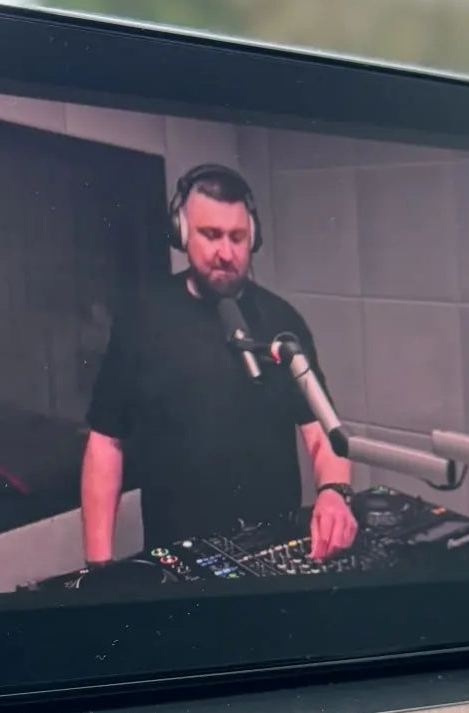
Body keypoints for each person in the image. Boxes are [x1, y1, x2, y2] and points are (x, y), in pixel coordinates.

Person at [81, 164, 357, 563]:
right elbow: (106, 442)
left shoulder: (282, 322)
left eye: (237, 237)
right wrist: (98, 568)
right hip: (177, 557)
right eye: (211, 235)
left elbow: (322, 432)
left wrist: (334, 493)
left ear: (253, 238)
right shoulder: (143, 318)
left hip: (274, 550)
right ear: (182, 233)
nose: (225, 253)